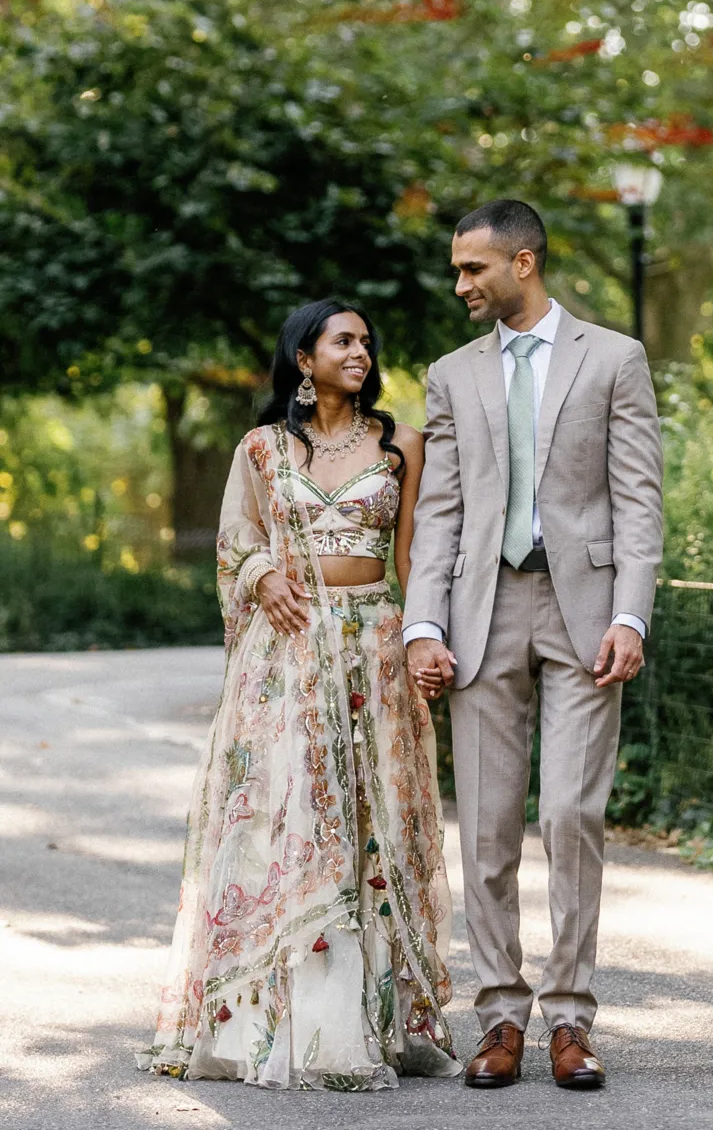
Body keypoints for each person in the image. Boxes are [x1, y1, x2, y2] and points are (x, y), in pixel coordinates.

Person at [136, 298, 460, 1091]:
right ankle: (286, 1028)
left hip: (374, 653)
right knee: (289, 819)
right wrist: (262, 573)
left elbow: (414, 560)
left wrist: (425, 640)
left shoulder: (400, 445)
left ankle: (371, 1020)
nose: (361, 349)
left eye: (365, 341)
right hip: (283, 661)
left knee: (367, 823)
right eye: (342, 340)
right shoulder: (261, 449)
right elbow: (234, 544)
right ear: (304, 359)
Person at [403, 199, 663, 1090]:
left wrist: (631, 614)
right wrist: (422, 624)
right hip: (482, 611)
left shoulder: (615, 358)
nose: (461, 284)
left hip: (584, 609)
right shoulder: (451, 374)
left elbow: (638, 500)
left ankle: (572, 1020)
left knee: (571, 817)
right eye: (456, 270)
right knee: (485, 830)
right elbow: (439, 509)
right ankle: (500, 1016)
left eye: (473, 268)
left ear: (524, 262)